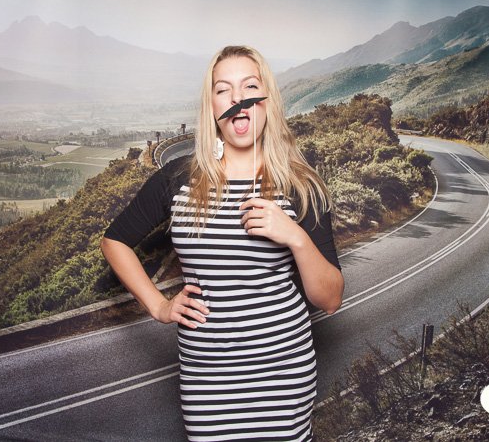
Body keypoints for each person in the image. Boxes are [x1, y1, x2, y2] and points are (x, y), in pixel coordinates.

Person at [101, 45, 344, 441]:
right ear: (211, 105)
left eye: (249, 86)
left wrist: (295, 237)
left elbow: (330, 299)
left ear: (267, 100)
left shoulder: (300, 185)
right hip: (207, 384)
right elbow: (115, 242)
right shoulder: (178, 179)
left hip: (283, 380)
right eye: (223, 90)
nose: (237, 99)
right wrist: (160, 306)